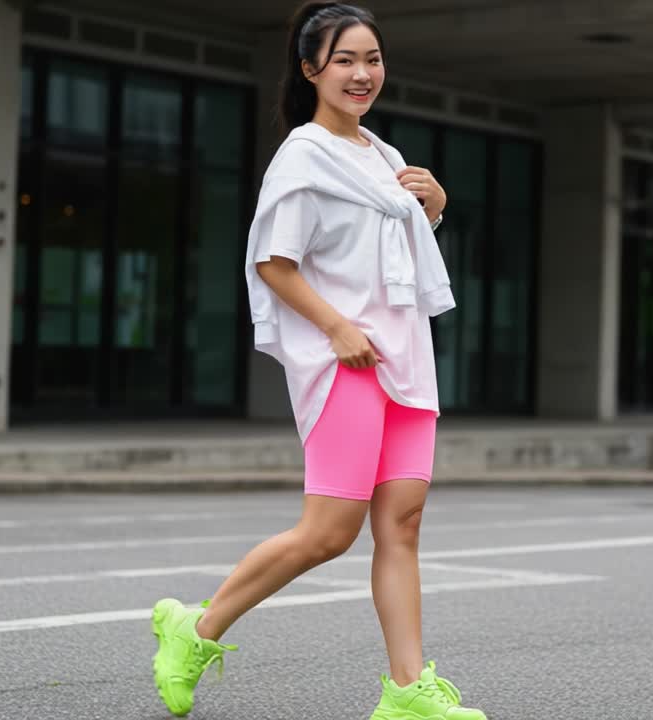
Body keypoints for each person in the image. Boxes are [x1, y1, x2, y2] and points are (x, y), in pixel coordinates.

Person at [149, 3, 487, 718]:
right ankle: (194, 629)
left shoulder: (386, 158)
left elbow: (387, 256)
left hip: (402, 359)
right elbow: (273, 261)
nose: (363, 74)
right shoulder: (303, 156)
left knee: (402, 524)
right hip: (346, 365)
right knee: (329, 531)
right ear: (311, 71)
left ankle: (406, 692)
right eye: (345, 61)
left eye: (372, 59)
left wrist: (432, 208)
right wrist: (335, 329)